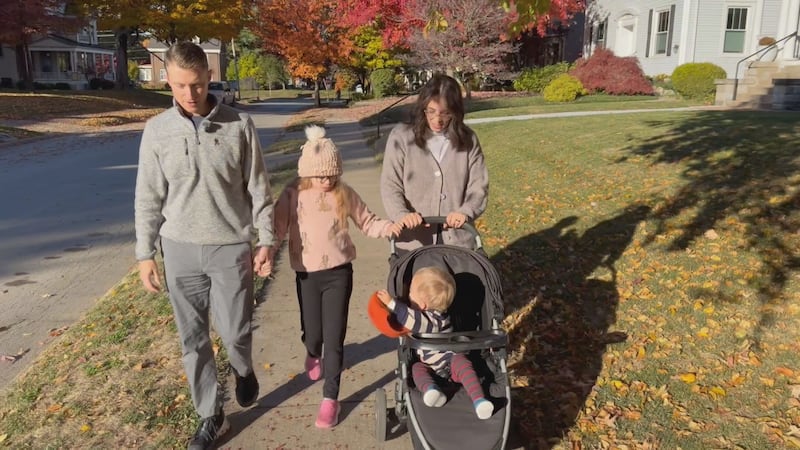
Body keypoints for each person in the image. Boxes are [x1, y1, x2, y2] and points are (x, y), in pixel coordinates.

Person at [134, 41, 274, 450]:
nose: (188, 95)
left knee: (234, 334)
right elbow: (148, 196)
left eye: (195, 85)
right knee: (192, 339)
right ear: (169, 82)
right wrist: (144, 253)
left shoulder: (239, 126)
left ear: (209, 78)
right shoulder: (157, 131)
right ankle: (211, 416)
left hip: (230, 246)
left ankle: (243, 368)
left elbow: (259, 189)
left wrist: (265, 239)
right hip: (178, 248)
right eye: (178, 86)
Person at [259, 125, 402, 428]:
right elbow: (277, 230)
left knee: (334, 339)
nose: (326, 180)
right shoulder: (292, 195)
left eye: (331, 175)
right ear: (307, 173)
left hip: (339, 274)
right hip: (307, 275)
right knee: (314, 333)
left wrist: (388, 227)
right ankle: (312, 351)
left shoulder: (344, 193)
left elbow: (368, 221)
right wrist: (267, 253)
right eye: (320, 175)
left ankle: (330, 399)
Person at [380, 73, 489, 253]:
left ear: (456, 111)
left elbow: (478, 186)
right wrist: (402, 215)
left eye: (445, 113)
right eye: (431, 111)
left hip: (457, 242)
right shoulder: (401, 137)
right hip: (413, 242)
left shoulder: (468, 140)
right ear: (422, 107)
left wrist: (465, 211)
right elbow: (390, 185)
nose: (437, 120)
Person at [375, 266, 494, 420]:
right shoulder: (432, 315)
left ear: (423, 305)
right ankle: (432, 390)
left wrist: (391, 303)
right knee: (417, 368)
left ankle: (479, 400)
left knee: (463, 364)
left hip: (450, 361)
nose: (408, 295)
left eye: (411, 293)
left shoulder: (432, 321)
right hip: (429, 365)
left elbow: (408, 317)